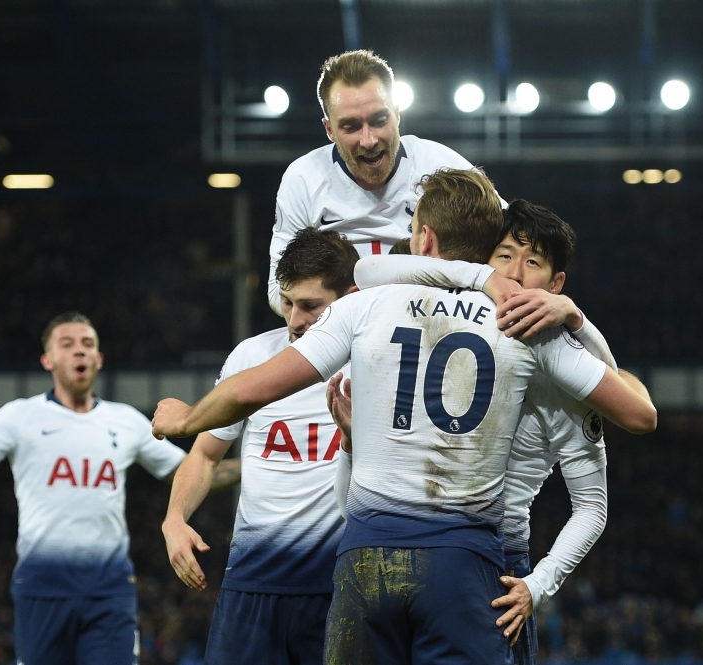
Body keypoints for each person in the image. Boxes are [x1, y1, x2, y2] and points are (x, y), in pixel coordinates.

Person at [152, 168, 656, 664]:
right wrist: (569, 317)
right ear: (487, 252)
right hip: (465, 564)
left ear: (423, 237)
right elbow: (639, 415)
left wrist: (186, 419)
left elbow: (251, 389)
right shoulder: (527, 327)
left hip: (367, 556)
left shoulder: (368, 304)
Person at [338, 199, 654, 663]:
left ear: (555, 282)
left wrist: (536, 585)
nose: (515, 273)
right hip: (411, 541)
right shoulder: (450, 329)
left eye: (533, 263)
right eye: (504, 255)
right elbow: (368, 272)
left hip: (497, 565)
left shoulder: (555, 364)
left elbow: (595, 502)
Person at [0, 312, 240, 665]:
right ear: (47, 359)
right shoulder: (18, 417)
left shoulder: (126, 421)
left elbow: (194, 471)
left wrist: (256, 466)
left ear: (99, 359)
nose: (79, 352)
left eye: (88, 344)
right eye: (67, 345)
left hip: (109, 588)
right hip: (42, 586)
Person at [163, 228, 358, 665]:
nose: (294, 320)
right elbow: (204, 455)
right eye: (288, 303)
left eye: (311, 306)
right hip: (251, 586)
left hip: (339, 589)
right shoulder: (251, 358)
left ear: (351, 297)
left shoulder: (376, 363)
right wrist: (174, 519)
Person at [267, 49, 502, 316]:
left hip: (433, 320)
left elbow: (513, 241)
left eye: (379, 121)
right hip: (338, 328)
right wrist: (347, 318)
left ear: (397, 114)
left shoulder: (442, 164)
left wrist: (559, 304)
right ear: (329, 129)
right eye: (351, 127)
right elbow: (279, 288)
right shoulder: (303, 179)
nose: (369, 140)